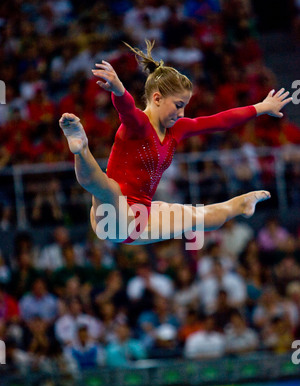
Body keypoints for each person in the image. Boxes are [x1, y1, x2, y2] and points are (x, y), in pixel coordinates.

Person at [59, 40, 292, 246]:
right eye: (178, 105)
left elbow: (219, 121)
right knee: (106, 186)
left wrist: (262, 107)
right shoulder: (139, 125)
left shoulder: (177, 130)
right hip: (112, 216)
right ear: (157, 98)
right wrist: (119, 90)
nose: (181, 114)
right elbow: (126, 110)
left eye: (185, 106)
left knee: (202, 218)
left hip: (140, 218)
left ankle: (239, 205)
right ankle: (81, 147)